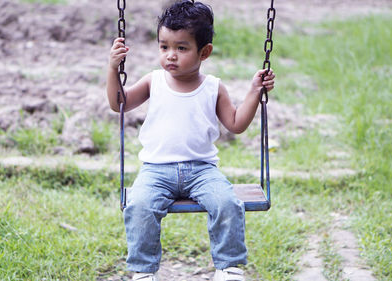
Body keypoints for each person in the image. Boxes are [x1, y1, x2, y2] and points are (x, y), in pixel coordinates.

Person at [106, 1, 275, 280]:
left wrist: (255, 91)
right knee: (139, 206)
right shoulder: (154, 81)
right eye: (164, 47)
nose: (170, 55)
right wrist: (113, 69)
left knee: (227, 203)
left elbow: (236, 124)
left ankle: (229, 267)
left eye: (181, 48)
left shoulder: (213, 87)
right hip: (156, 170)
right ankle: (143, 271)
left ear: (204, 52)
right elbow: (118, 103)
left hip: (202, 170)